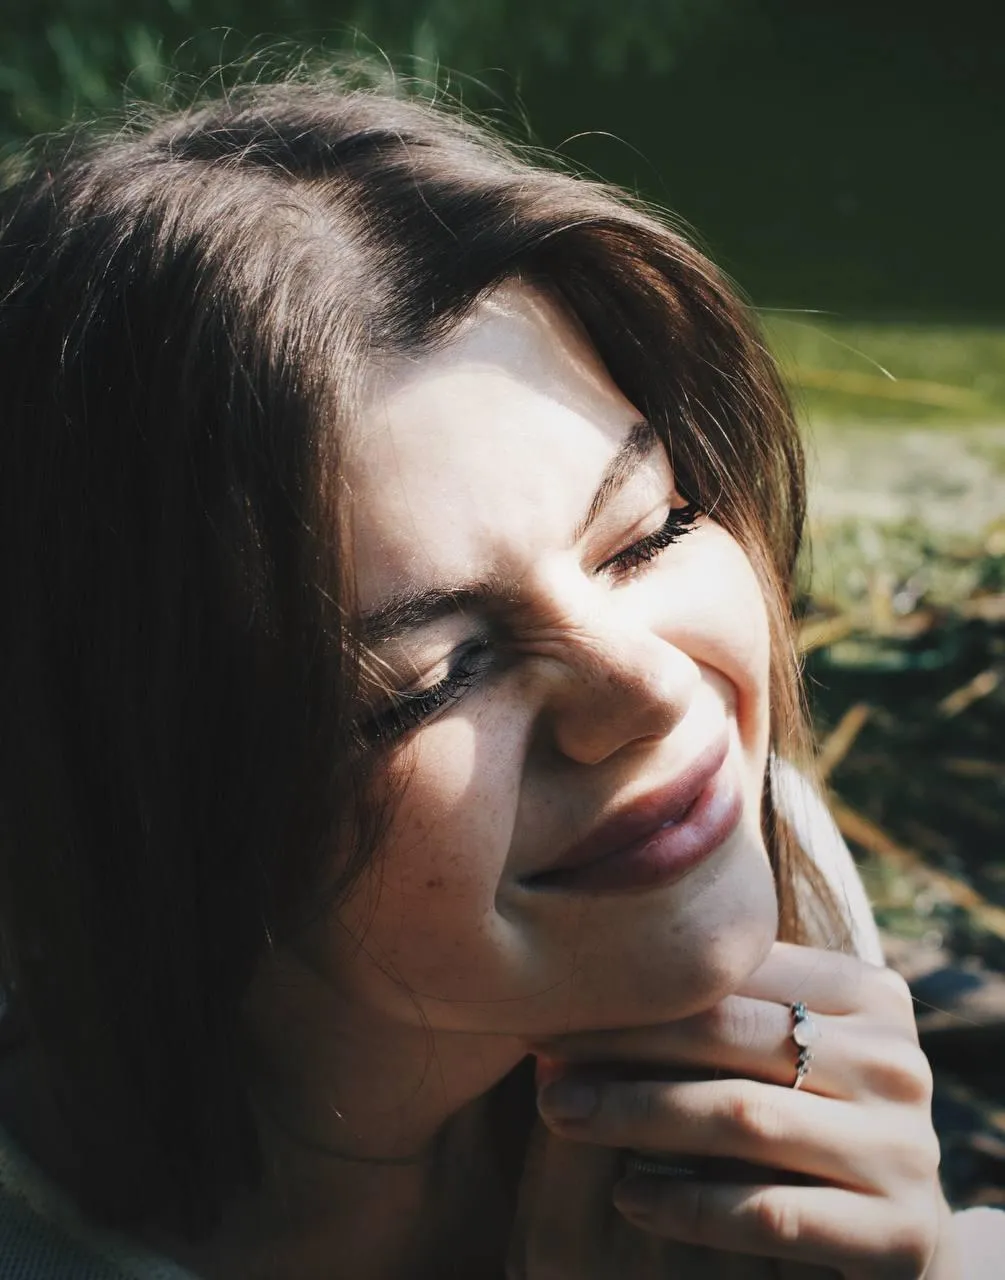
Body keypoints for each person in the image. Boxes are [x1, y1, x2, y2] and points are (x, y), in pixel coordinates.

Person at [0, 73, 999, 1278]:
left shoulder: (709, 832)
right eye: (438, 670)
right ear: (151, 796)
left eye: (647, 532)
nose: (652, 693)